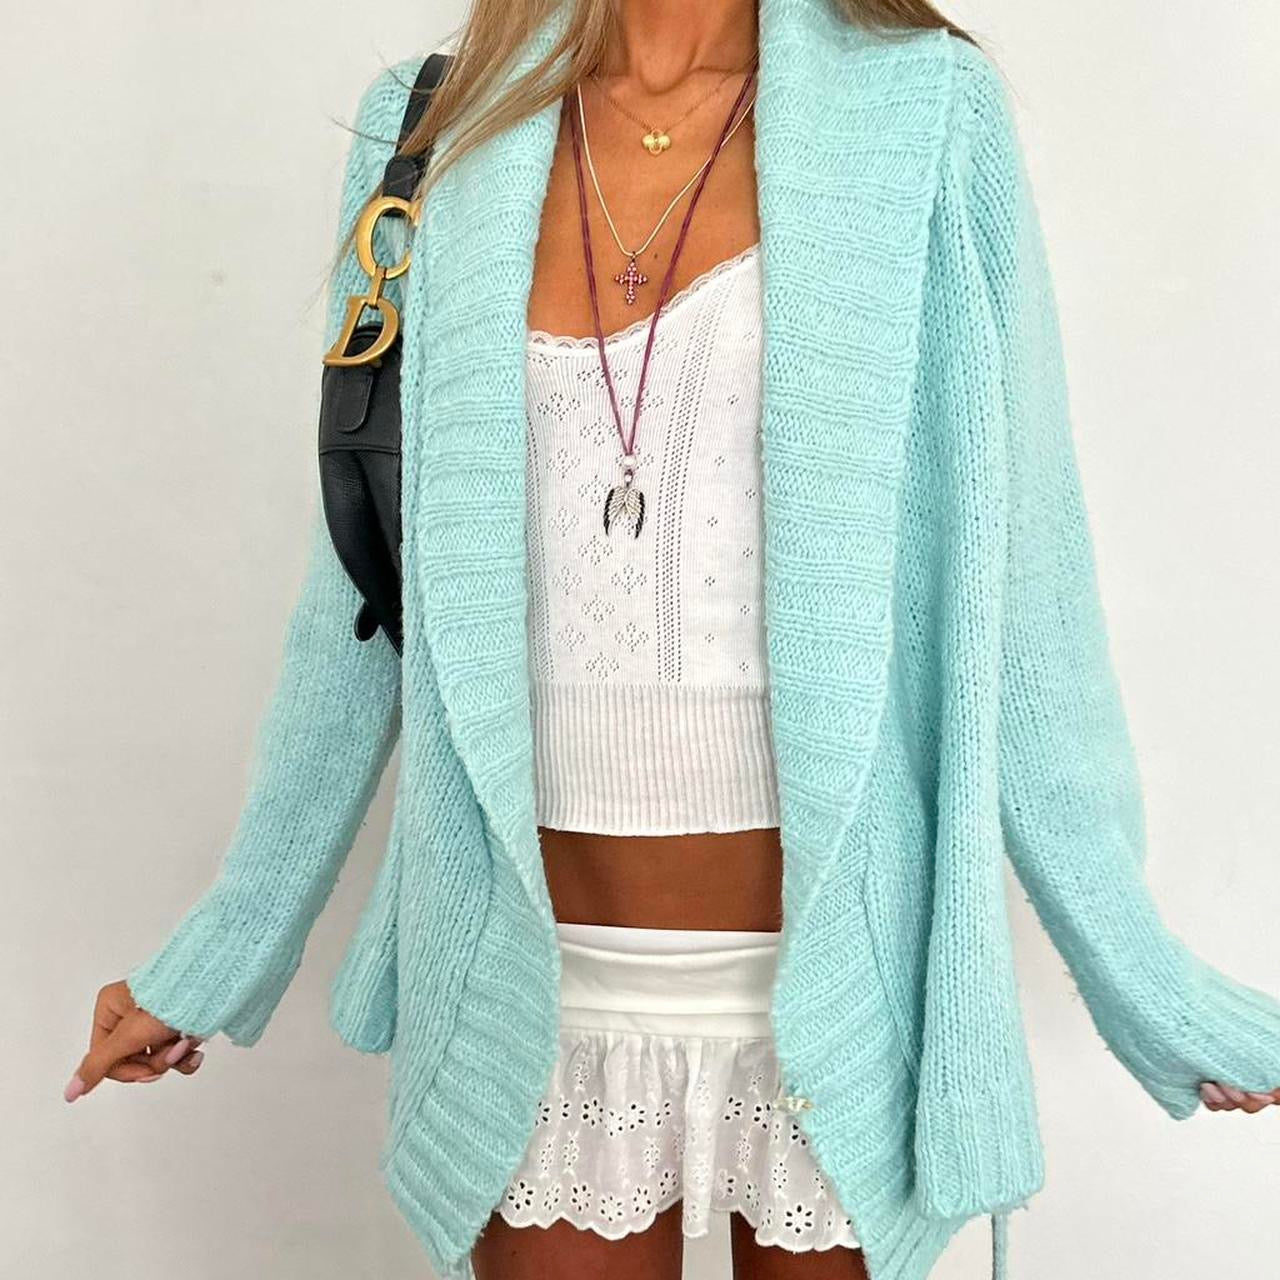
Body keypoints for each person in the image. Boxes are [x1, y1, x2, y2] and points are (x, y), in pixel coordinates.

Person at [66, 0, 1280, 1277]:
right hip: (528, 985)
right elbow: (364, 593)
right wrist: (221, 949)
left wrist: (1144, 976)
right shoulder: (429, 128)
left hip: (837, 978)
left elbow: (1025, 595)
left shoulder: (920, 113)